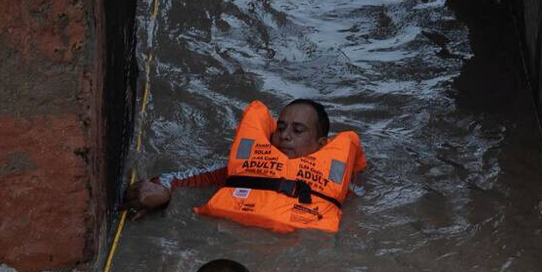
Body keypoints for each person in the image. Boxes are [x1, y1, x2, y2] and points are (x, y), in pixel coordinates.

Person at [125, 97, 365, 235]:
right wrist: (162, 192)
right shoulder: (244, 165)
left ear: (321, 144)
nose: (285, 136)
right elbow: (176, 178)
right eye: (280, 128)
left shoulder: (342, 184)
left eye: (298, 130)